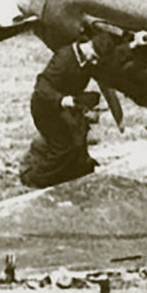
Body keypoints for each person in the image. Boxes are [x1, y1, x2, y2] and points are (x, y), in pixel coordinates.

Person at [19, 31, 115, 188]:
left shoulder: (88, 59)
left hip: (66, 104)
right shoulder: (64, 59)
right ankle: (34, 177)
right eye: (95, 57)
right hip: (46, 108)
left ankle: (80, 172)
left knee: (79, 134)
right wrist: (61, 99)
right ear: (89, 46)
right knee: (63, 146)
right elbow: (41, 87)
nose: (95, 63)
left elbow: (116, 55)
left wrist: (134, 44)